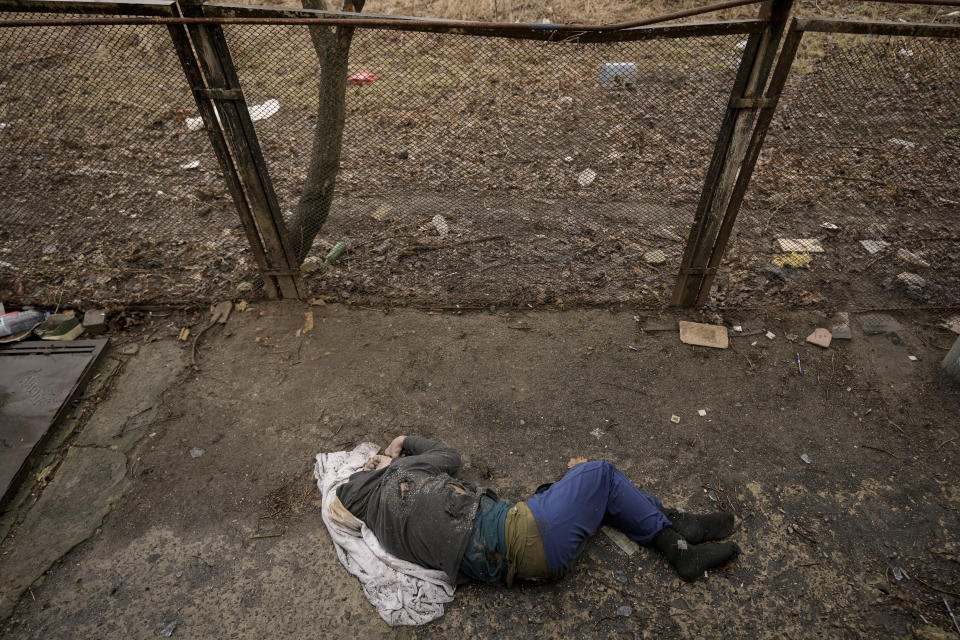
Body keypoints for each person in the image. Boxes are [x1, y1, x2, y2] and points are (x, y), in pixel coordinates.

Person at [334, 435, 740, 586]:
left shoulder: (381, 522)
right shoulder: (398, 473)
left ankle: (675, 525)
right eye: (371, 463)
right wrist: (402, 441)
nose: (373, 461)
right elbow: (449, 456)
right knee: (598, 473)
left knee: (573, 490)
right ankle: (679, 547)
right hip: (526, 536)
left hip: (519, 555)